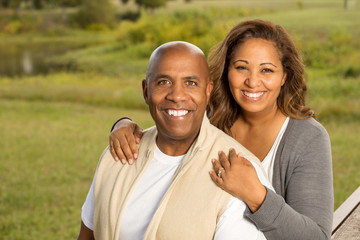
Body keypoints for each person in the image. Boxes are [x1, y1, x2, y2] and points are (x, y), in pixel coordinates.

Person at [108, 20, 334, 240]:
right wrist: (123, 124)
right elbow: (167, 123)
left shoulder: (307, 138)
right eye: (241, 67)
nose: (253, 82)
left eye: (266, 70)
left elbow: (316, 236)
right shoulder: (209, 119)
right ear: (226, 71)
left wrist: (257, 195)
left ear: (284, 75)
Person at [77, 41, 273, 240]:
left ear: (208, 91)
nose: (177, 95)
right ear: (146, 91)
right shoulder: (117, 155)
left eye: (191, 83)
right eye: (164, 82)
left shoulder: (240, 173)